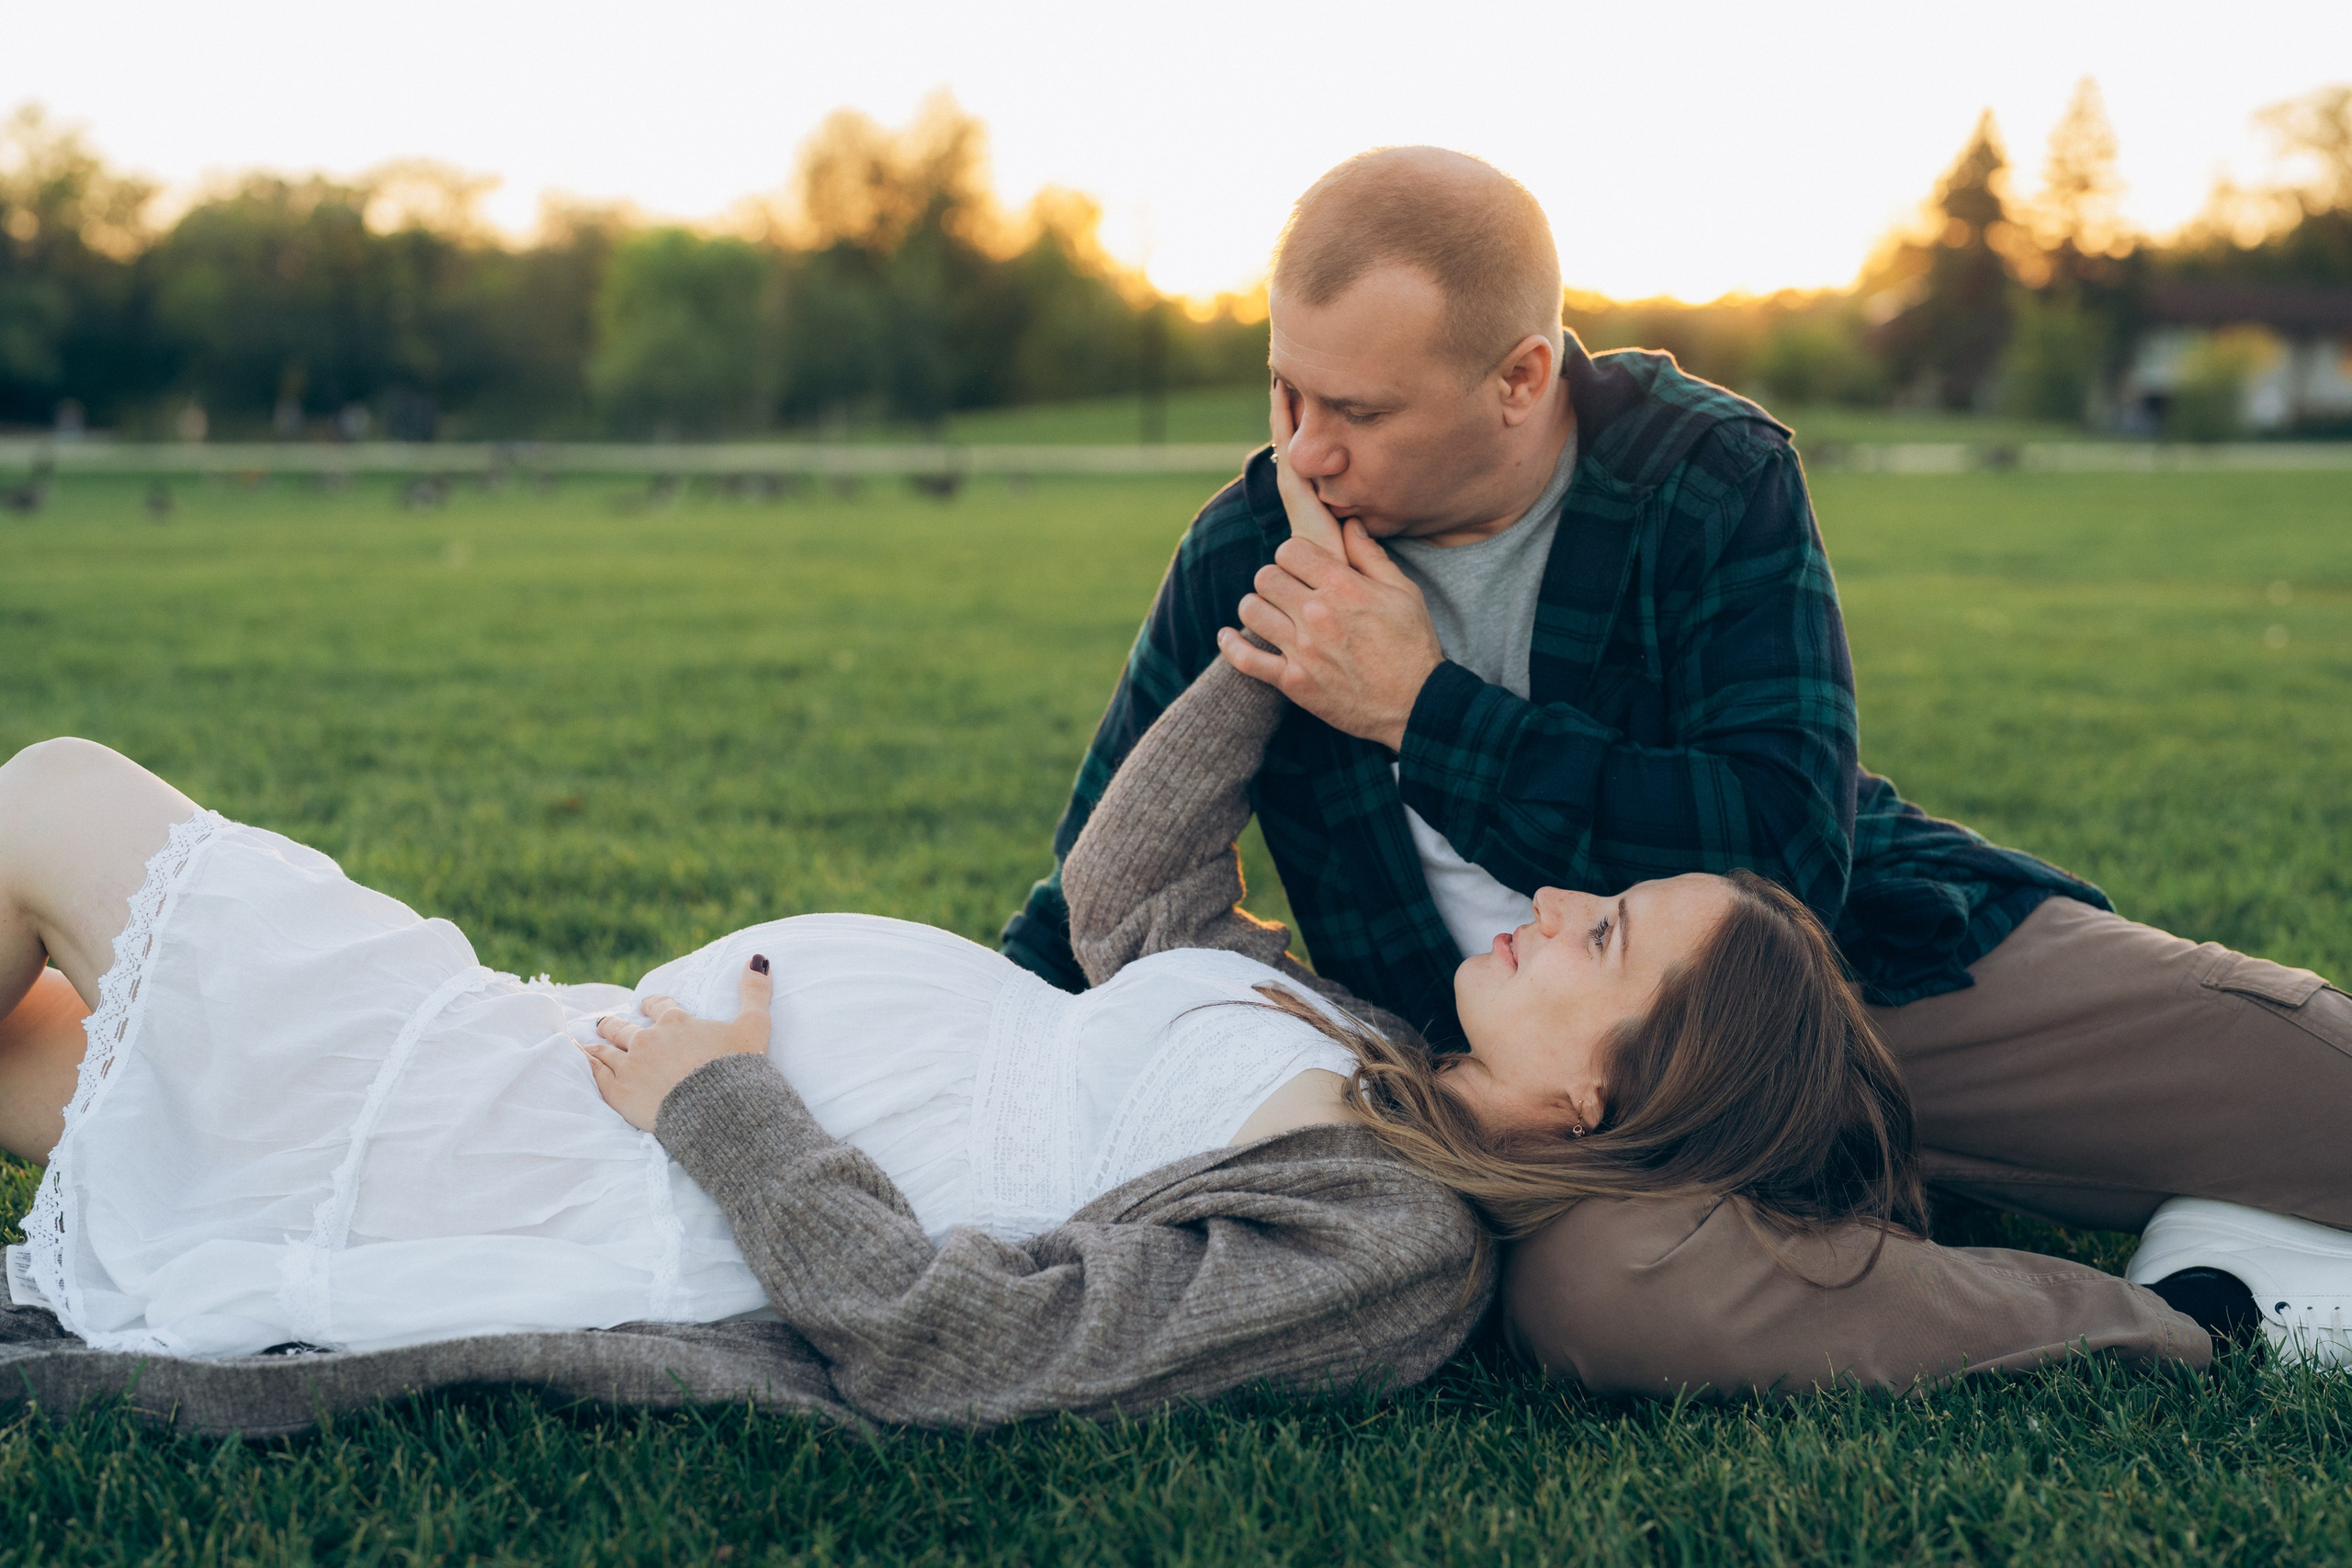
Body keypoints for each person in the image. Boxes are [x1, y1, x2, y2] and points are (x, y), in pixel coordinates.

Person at [0, 558, 1977, 1421]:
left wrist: (720, 1105)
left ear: (1602, 1101)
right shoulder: (1372, 1051)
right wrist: (1282, 635)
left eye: (1608, 939)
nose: (1556, 896)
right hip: (570, 1064)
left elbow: (978, 1349)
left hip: (598, 1166)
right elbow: (1129, 897)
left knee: (56, 802)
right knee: (43, 1062)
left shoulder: (1390, 1252)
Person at [1002, 145, 2352, 1390]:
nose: (1304, 449)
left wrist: (1423, 710)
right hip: (1543, 1109)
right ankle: (2203, 1306)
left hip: (1850, 982)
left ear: (1521, 378)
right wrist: (980, 1064)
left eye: (1357, 409)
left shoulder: (1700, 475)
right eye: (1286, 390)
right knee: (1604, 1289)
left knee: (2324, 1094)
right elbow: (1094, 892)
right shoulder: (1247, 550)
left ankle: (1942, 1186)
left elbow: (1779, 856)